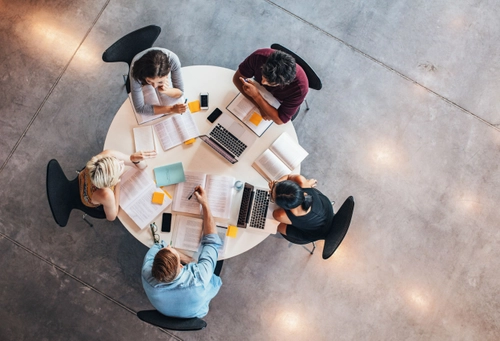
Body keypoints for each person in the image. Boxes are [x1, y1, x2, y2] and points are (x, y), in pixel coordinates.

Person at [141, 186, 223, 318]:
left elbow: (159, 245)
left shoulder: (147, 272)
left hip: (164, 310)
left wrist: (178, 255)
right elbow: (212, 241)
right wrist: (205, 203)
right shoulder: (199, 279)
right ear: (181, 265)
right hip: (196, 313)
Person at [232, 48, 309, 125]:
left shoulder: (300, 89)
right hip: (261, 92)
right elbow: (237, 79)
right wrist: (260, 106)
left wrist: (256, 96)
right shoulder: (258, 56)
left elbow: (280, 120)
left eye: (270, 83)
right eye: (263, 75)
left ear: (284, 83)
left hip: (279, 102)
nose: (263, 82)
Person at [79, 149, 157, 221]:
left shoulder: (108, 154)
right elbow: (111, 217)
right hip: (87, 197)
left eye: (116, 161)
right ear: (112, 181)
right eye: (119, 167)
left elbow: (143, 167)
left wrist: (135, 160)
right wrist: (118, 182)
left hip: (88, 178)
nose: (122, 162)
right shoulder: (106, 194)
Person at [270, 174, 333, 242]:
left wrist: (274, 191)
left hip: (315, 233)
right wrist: (276, 185)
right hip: (326, 209)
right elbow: (288, 176)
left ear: (283, 206)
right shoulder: (301, 180)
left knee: (277, 227)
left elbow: (279, 226)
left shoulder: (280, 215)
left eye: (271, 196)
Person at [130, 48, 187, 115]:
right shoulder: (136, 73)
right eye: (149, 81)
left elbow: (180, 92)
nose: (154, 86)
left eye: (160, 82)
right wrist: (171, 109)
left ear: (168, 72)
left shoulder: (173, 60)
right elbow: (140, 109)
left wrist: (166, 90)